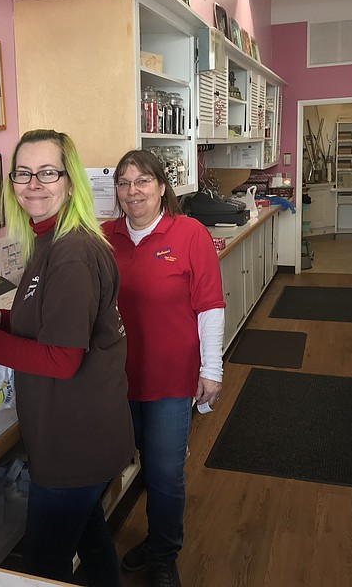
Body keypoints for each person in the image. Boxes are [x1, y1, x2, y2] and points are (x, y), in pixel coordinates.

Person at [0, 129, 134, 587]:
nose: (33, 183)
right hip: (78, 432)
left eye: (47, 172)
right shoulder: (51, 239)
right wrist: (2, 319)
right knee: (91, 539)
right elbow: (55, 316)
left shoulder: (72, 253)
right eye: (23, 173)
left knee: (43, 566)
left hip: (75, 441)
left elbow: (62, 359)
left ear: (69, 180)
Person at [102, 150, 225, 587]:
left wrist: (212, 370)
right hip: (116, 379)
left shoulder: (189, 233)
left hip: (172, 377)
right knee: (129, 463)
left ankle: (164, 553)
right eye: (124, 183)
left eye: (142, 182)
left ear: (161, 186)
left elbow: (210, 306)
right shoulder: (103, 237)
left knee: (165, 473)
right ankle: (151, 542)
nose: (132, 192)